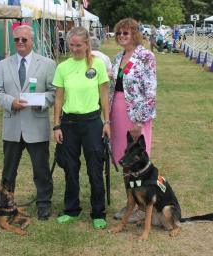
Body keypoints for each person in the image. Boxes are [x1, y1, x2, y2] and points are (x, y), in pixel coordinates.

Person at [0, 25, 56, 220]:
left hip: (36, 125)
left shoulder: (47, 64)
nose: (20, 42)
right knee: (9, 170)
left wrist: (41, 103)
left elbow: (54, 92)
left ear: (32, 41)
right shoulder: (3, 65)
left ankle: (44, 204)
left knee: (41, 169)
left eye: (24, 40)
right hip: (12, 127)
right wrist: (11, 102)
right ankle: (5, 203)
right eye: (16, 39)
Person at [52, 26, 110, 229]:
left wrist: (107, 122)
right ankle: (71, 209)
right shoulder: (62, 67)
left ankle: (98, 212)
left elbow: (104, 96)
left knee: (95, 168)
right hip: (69, 123)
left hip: (93, 122)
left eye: (79, 45)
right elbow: (58, 98)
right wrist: (56, 125)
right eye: (71, 45)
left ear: (87, 45)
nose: (75, 49)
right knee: (70, 168)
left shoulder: (98, 65)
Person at [109, 18, 157, 221]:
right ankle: (130, 202)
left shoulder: (146, 56)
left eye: (125, 33)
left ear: (135, 34)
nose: (121, 36)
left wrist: (140, 120)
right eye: (119, 33)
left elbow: (150, 90)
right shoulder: (117, 57)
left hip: (136, 114)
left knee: (138, 159)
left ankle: (142, 205)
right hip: (116, 112)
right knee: (124, 159)